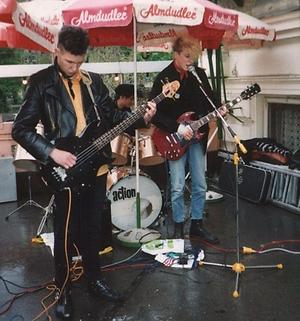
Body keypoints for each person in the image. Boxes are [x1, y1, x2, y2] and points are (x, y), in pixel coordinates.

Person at [12, 26, 156, 319]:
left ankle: (95, 280)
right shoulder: (41, 83)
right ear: (57, 51)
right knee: (66, 233)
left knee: (93, 230)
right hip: (63, 166)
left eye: (79, 62)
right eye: (68, 62)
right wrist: (52, 152)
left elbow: (113, 119)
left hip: (97, 165)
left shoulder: (94, 82)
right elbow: (20, 129)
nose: (74, 68)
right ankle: (63, 289)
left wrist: (140, 117)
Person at [150, 35, 219, 244]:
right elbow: (155, 113)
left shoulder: (198, 75)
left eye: (194, 57)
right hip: (174, 138)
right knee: (178, 185)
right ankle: (178, 225)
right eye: (187, 56)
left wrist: (219, 109)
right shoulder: (163, 78)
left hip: (197, 137)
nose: (191, 61)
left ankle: (197, 224)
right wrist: (178, 127)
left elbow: (210, 99)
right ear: (176, 54)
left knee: (200, 184)